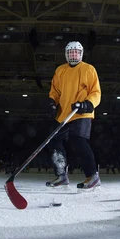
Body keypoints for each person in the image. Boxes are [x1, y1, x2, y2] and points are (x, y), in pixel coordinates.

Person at [45, 41, 102, 189]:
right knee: (54, 141)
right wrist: (52, 102)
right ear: (66, 54)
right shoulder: (60, 70)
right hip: (63, 113)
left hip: (81, 112)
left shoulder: (88, 69)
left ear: (81, 54)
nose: (74, 55)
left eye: (76, 52)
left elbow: (95, 92)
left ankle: (92, 176)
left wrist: (87, 104)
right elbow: (55, 91)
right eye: (71, 52)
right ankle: (61, 175)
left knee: (78, 140)